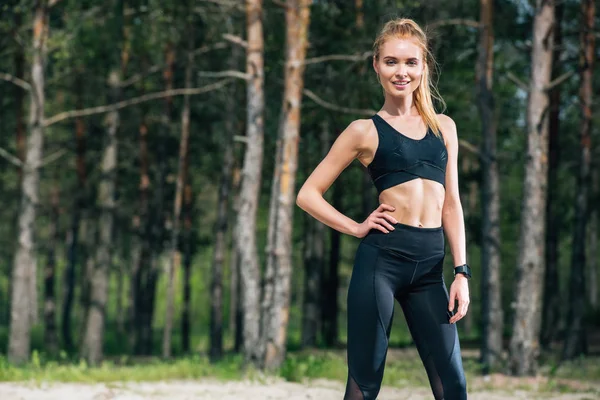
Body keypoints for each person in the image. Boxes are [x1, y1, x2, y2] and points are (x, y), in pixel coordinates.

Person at [296, 18, 470, 400]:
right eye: (391, 62)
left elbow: (452, 204)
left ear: (424, 66)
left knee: (453, 387)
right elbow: (307, 194)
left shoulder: (444, 127)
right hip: (382, 263)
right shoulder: (365, 131)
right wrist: (357, 227)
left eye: (410, 62)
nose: (401, 72)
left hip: (430, 268)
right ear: (376, 65)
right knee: (365, 383)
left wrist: (461, 272)